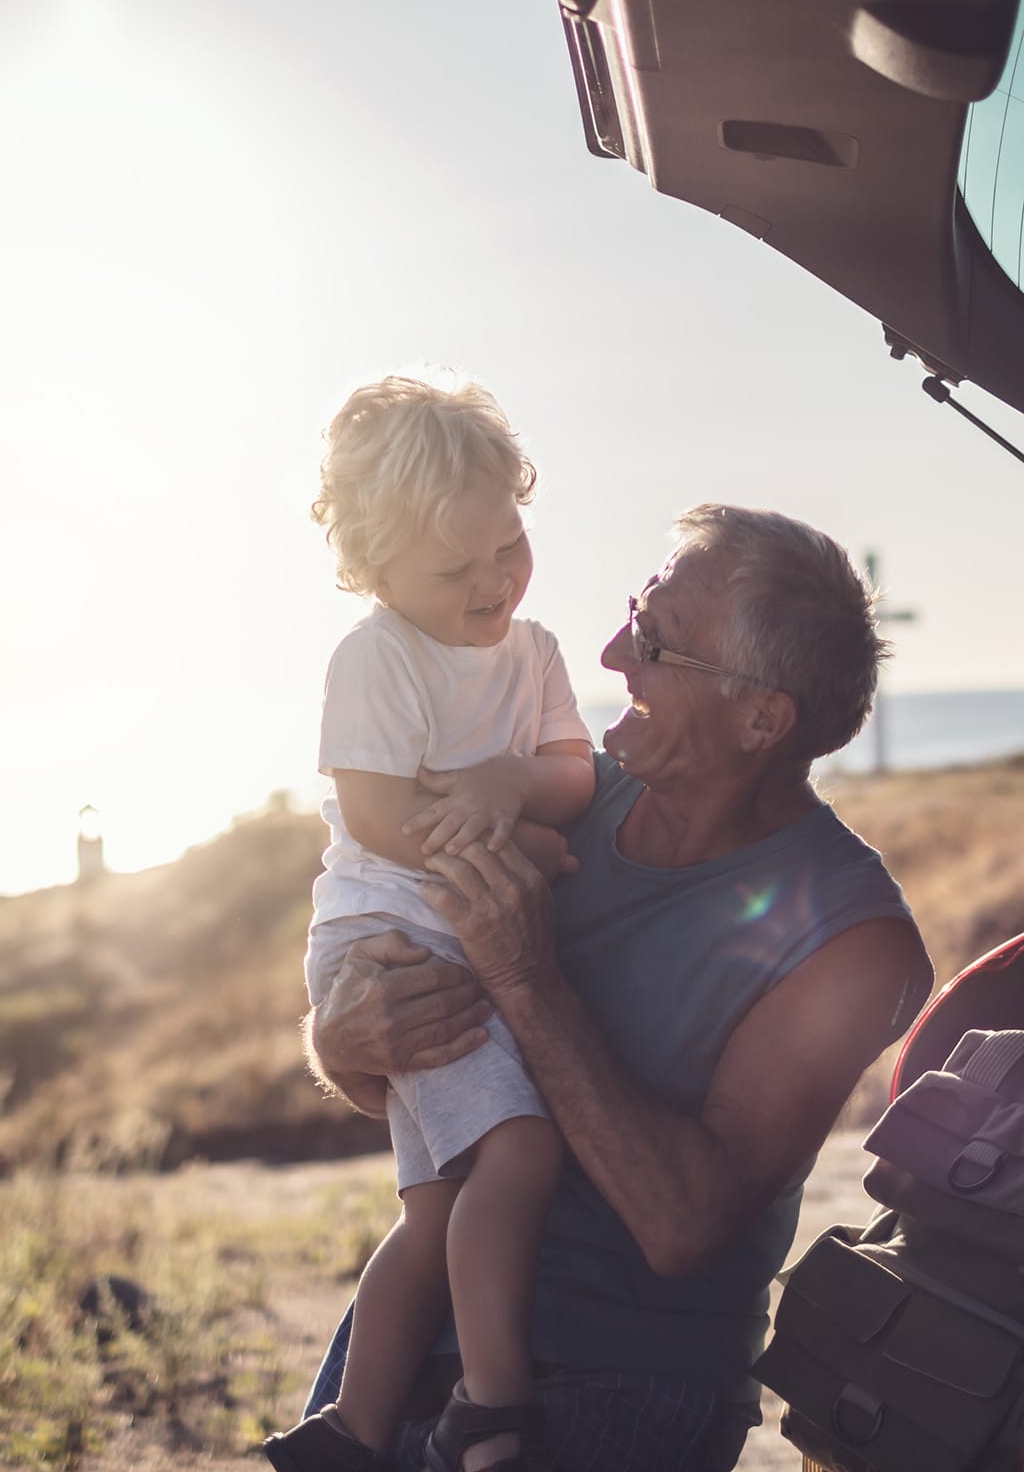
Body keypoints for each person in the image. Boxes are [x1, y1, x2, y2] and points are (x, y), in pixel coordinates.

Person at [302, 503, 936, 1472]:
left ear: (761, 717)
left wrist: (525, 973)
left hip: (615, 1388)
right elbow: (433, 1095)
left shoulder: (852, 937)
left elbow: (684, 1223)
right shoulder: (557, 794)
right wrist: (344, 1042)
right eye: (632, 614)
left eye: (655, 641)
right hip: (395, 1355)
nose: (608, 654)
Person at [264, 377, 596, 1472]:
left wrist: (514, 783)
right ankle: (492, 1405)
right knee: (521, 1145)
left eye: (509, 544)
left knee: (441, 1201)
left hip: (450, 919)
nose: (494, 581)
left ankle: (354, 1426)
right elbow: (374, 814)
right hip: (387, 936)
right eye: (457, 571)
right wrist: (519, 847)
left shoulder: (536, 651)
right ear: (378, 571)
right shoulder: (379, 657)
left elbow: (571, 772)